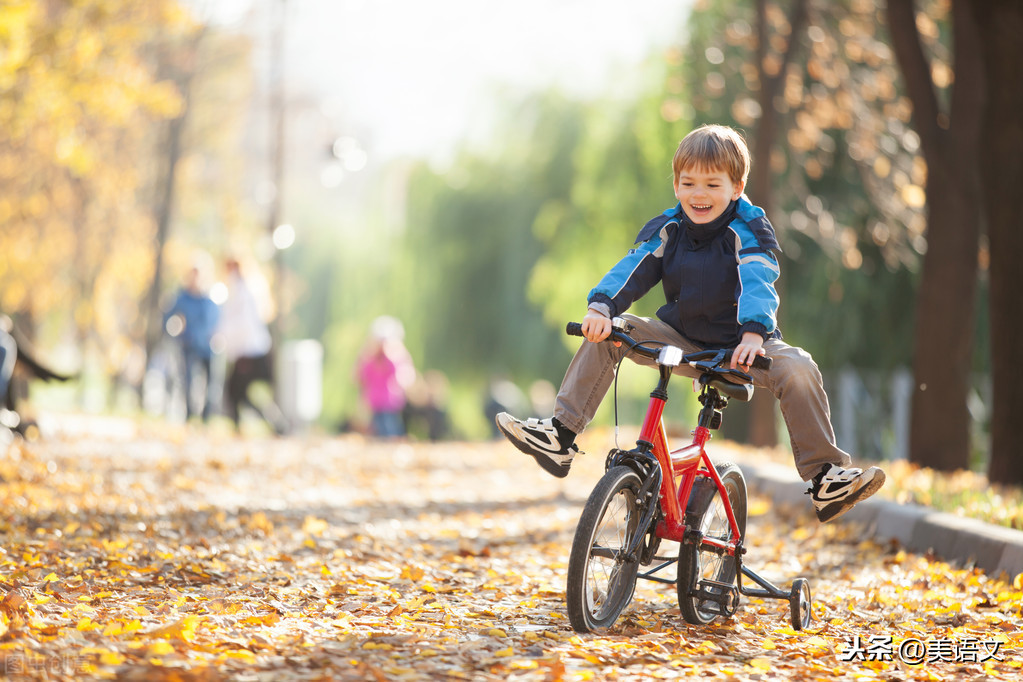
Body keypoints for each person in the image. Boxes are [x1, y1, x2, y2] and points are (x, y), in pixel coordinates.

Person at [496, 124, 885, 524]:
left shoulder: (748, 229)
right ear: (677, 187)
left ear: (737, 187)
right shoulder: (670, 228)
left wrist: (753, 332)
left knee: (799, 367)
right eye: (689, 183)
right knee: (615, 330)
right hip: (682, 340)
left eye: (712, 184)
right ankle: (561, 435)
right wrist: (601, 307)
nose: (699, 194)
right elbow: (632, 268)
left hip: (742, 346)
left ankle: (824, 478)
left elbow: (759, 281)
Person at [216, 257, 289, 435]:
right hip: (247, 352)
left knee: (235, 392)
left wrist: (224, 335)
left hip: (249, 352)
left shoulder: (244, 292)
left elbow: (243, 324)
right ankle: (273, 424)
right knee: (239, 394)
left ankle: (274, 424)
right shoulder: (241, 290)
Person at [163, 261, 220, 422]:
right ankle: (189, 414)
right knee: (188, 381)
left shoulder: (210, 298)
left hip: (208, 347)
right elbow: (169, 319)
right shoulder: (181, 298)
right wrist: (175, 328)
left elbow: (217, 321)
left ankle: (206, 417)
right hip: (188, 344)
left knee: (211, 384)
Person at [356, 316, 415, 438]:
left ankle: (393, 444)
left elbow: (402, 375)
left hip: (390, 401)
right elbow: (361, 376)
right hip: (375, 400)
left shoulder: (396, 357)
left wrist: (389, 354)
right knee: (377, 428)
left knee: (389, 427)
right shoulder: (371, 359)